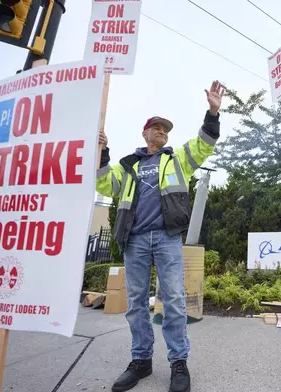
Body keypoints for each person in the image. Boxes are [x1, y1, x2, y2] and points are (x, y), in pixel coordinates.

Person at [96, 80, 226, 392]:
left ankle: (178, 363)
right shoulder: (129, 166)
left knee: (174, 300)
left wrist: (212, 112)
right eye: (157, 128)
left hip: (167, 238)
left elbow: (204, 145)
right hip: (135, 240)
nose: (162, 132)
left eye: (165, 129)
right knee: (136, 303)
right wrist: (101, 155)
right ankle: (141, 360)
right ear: (145, 132)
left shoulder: (177, 158)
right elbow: (104, 185)